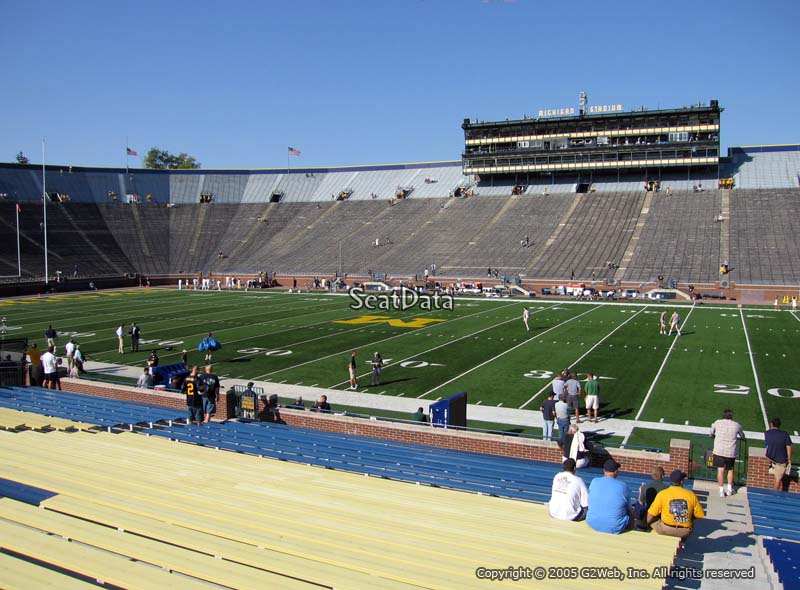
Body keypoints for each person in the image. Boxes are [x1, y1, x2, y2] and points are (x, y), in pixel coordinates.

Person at [646, 470, 704, 541]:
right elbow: (699, 515)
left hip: (665, 529)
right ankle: (683, 541)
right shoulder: (691, 495)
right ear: (682, 482)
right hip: (684, 531)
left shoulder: (662, 494)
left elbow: (651, 514)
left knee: (654, 521)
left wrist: (647, 524)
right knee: (691, 521)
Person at [586, 459, 635, 535]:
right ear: (616, 472)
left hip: (592, 522)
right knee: (631, 512)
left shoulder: (594, 481)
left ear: (604, 470)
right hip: (615, 527)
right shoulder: (623, 486)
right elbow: (629, 508)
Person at [710, 409, 745, 497]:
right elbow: (742, 435)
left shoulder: (717, 422)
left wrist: (714, 436)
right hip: (730, 451)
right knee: (730, 470)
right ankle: (729, 489)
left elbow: (711, 433)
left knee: (720, 470)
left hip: (719, 450)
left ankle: (721, 490)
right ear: (731, 416)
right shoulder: (736, 425)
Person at [765, 417, 793, 491]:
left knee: (777, 477)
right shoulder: (785, 434)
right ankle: (774, 496)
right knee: (778, 479)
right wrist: (789, 460)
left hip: (769, 458)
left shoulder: (767, 433)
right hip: (780, 460)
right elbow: (789, 448)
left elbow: (767, 445)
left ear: (771, 424)